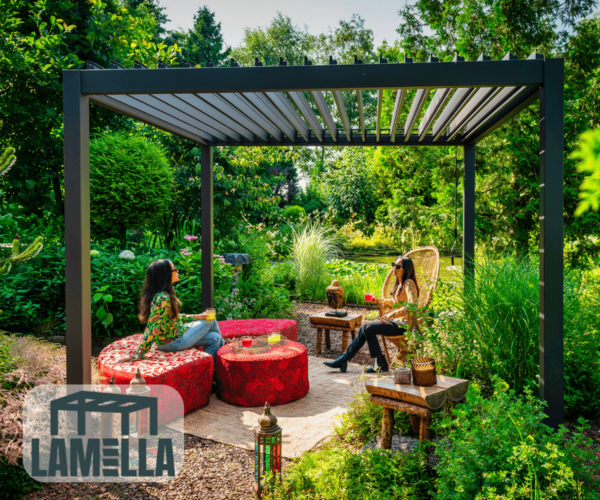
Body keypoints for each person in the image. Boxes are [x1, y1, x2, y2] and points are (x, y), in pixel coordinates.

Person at [116, 259, 224, 364]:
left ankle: (211, 372)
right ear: (166, 275)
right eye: (174, 269)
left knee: (215, 338)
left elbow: (174, 317)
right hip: (172, 342)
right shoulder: (162, 298)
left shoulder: (164, 294)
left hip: (172, 339)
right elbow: (152, 326)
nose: (177, 271)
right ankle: (225, 353)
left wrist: (199, 316)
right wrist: (140, 353)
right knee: (210, 320)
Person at [324, 256, 420, 373]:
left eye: (398, 266)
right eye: (393, 265)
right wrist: (377, 300)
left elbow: (412, 305)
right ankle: (344, 359)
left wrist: (392, 314)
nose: (394, 268)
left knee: (367, 327)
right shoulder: (401, 284)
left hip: (405, 325)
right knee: (365, 327)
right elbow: (395, 302)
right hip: (397, 323)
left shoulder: (409, 283)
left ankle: (379, 362)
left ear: (406, 269)